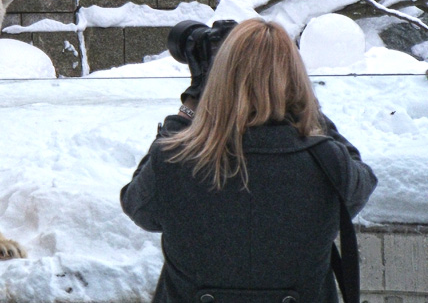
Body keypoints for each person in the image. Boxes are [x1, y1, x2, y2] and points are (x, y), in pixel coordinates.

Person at [121, 18, 377, 303]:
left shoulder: (174, 159)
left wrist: (188, 111)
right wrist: (306, 108)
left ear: (218, 79)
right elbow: (361, 179)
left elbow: (138, 207)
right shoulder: (328, 164)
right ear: (295, 80)